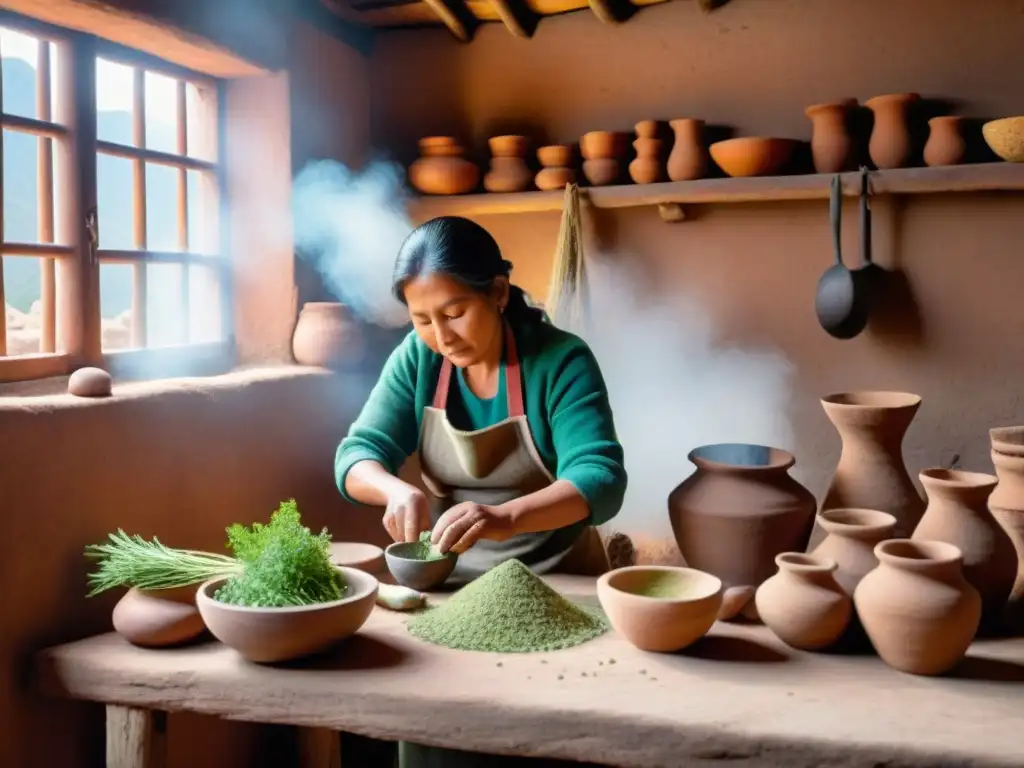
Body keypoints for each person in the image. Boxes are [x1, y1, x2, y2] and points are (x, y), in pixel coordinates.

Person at [334, 215, 627, 767]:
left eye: (454, 313)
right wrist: (393, 490)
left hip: (559, 590)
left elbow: (601, 479)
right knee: (436, 736)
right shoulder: (418, 359)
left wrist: (505, 517)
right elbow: (355, 456)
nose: (441, 337)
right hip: (452, 595)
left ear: (496, 292)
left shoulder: (560, 360)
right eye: (421, 319)